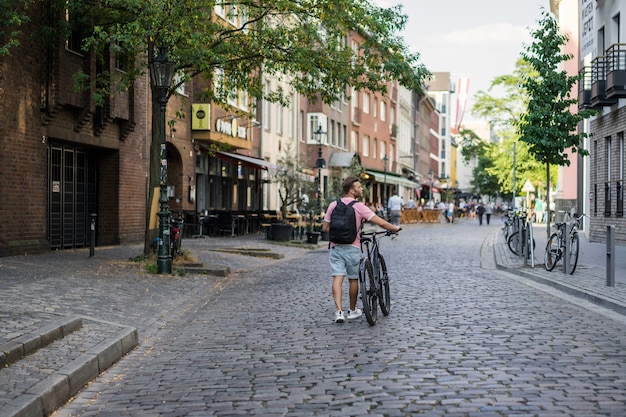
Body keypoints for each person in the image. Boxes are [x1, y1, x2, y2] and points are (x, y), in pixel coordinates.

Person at [323, 176, 400, 324]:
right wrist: (394, 228)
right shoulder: (359, 206)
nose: (362, 189)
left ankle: (338, 312)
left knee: (337, 278)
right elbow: (381, 222)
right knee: (353, 279)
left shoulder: (333, 205)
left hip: (336, 246)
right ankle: (352, 311)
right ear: (352, 191)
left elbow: (325, 227)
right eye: (359, 187)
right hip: (353, 247)